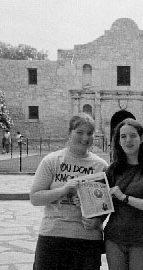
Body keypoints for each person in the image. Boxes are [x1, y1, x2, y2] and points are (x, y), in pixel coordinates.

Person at [30, 113, 108, 270]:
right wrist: (63, 190)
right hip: (53, 234)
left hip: (87, 238)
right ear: (69, 133)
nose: (85, 138)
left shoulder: (100, 166)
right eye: (79, 132)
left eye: (89, 133)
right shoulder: (52, 161)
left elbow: (105, 206)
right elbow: (35, 197)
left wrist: (97, 220)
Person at [104, 118, 143, 270]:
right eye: (123, 136)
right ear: (118, 141)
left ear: (142, 138)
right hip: (115, 239)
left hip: (142, 239)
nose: (128, 140)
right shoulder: (112, 169)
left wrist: (124, 198)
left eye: (133, 136)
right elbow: (103, 202)